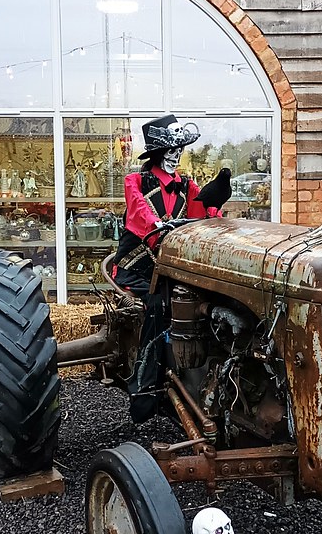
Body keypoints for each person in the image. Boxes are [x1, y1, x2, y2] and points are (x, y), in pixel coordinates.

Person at [111, 113, 218, 422]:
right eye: (170, 150)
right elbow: (139, 212)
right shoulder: (136, 181)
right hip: (138, 267)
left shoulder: (187, 185)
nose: (176, 155)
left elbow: (204, 211)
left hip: (171, 269)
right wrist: (158, 226)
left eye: (179, 149)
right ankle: (145, 389)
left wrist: (215, 213)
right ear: (158, 153)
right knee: (160, 304)